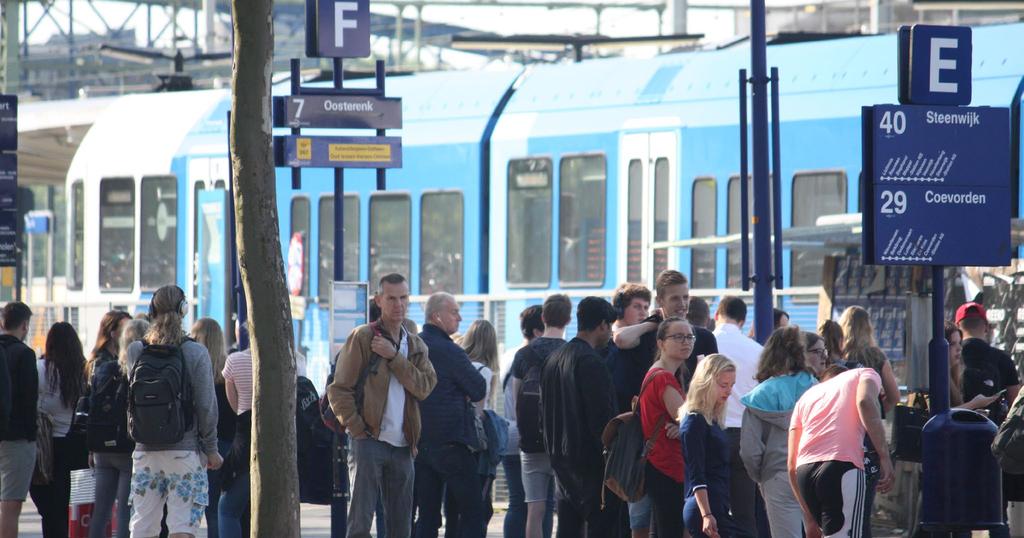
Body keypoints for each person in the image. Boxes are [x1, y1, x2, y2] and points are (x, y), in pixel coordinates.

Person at [328, 273, 438, 538]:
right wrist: (356, 428)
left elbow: (424, 387)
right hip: (369, 439)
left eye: (403, 298)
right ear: (378, 300)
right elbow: (339, 389)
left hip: (403, 445)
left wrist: (393, 357)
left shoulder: (415, 344)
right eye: (391, 298)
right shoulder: (363, 337)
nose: (398, 304)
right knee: (360, 523)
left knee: (401, 526)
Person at [124, 285, 222, 538]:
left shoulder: (136, 350)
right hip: (185, 451)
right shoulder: (195, 352)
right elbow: (205, 406)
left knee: (143, 525)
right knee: (182, 526)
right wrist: (211, 449)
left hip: (145, 451)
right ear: (184, 310)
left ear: (151, 311)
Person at [540, 296, 620, 538]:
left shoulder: (553, 359)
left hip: (560, 458)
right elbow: (601, 418)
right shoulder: (591, 362)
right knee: (603, 526)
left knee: (568, 528)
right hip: (591, 463)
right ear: (603, 325)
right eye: (610, 327)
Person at [788, 366, 894, 538]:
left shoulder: (807, 397)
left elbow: (792, 464)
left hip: (804, 472)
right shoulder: (866, 373)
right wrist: (884, 456)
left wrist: (808, 517)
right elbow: (865, 402)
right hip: (843, 465)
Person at [414, 292, 486, 538]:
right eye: (454, 312)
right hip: (452, 443)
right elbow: (478, 388)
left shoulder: (413, 346)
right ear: (437, 316)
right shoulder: (450, 350)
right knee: (474, 511)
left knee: (427, 516)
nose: (460, 317)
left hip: (420, 443)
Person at [740, 327, 817, 538]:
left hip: (776, 474)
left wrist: (760, 475)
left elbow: (749, 449)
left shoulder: (757, 397)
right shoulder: (815, 388)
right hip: (813, 471)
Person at [956, 302, 1022, 538]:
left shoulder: (954, 355)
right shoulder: (1001, 359)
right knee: (997, 509)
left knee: (959, 508)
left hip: (957, 440)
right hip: (993, 438)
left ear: (958, 326)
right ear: (986, 326)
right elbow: (1016, 402)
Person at [838, 305, 899, 538]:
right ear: (868, 327)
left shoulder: (836, 358)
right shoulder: (876, 357)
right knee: (864, 508)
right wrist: (878, 410)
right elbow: (894, 395)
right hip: (868, 439)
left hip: (840, 435)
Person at [512, 295, 570, 538]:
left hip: (531, 443)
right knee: (568, 508)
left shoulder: (524, 355)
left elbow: (517, 400)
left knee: (535, 508)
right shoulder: (572, 352)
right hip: (564, 444)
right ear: (568, 319)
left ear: (543, 318)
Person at [30, 322, 88, 538]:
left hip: (47, 447)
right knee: (74, 505)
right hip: (77, 445)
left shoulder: (41, 369)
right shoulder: (83, 370)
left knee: (50, 508)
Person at [615, 270, 718, 388]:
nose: (682, 304)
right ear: (660, 301)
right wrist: (652, 324)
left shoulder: (705, 338)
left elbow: (715, 382)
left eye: (685, 297)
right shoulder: (649, 335)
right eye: (675, 298)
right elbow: (620, 338)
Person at [606, 283, 654, 538]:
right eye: (637, 306)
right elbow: (621, 337)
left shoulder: (644, 339)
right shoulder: (613, 338)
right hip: (615, 431)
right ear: (620, 308)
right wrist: (650, 322)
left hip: (637, 431)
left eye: (646, 307)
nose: (643, 312)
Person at [712, 296, 762, 537]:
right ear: (743, 320)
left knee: (712, 510)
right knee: (744, 511)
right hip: (746, 435)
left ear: (716, 315)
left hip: (714, 432)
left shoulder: (707, 345)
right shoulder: (757, 350)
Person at [448, 320, 502, 535]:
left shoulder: (460, 365)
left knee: (453, 505)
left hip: (454, 440)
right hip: (476, 447)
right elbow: (478, 412)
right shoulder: (485, 371)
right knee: (480, 506)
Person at [637, 318, 689, 538]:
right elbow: (689, 420)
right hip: (667, 464)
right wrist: (684, 426)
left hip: (660, 463)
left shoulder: (659, 374)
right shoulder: (663, 378)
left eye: (689, 337)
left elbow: (683, 422)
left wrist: (682, 426)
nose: (685, 342)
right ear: (661, 343)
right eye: (677, 337)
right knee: (671, 529)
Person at [84, 311, 134, 538]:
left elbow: (91, 405)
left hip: (101, 444)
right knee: (123, 510)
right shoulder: (125, 365)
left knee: (101, 511)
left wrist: (92, 446)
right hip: (123, 444)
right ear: (113, 332)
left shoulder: (95, 362)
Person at [681, 354, 741, 538]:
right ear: (706, 383)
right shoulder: (695, 420)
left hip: (716, 504)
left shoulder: (709, 420)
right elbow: (696, 472)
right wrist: (706, 514)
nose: (729, 391)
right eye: (724, 385)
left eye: (731, 385)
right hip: (706, 507)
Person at [502, 305, 545, 538]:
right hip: (531, 436)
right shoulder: (532, 358)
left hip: (509, 433)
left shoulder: (510, 354)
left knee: (517, 502)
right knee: (540, 503)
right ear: (539, 331)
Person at [191, 318, 234, 538]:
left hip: (200, 445)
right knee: (219, 509)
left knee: (203, 508)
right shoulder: (228, 368)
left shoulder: (194, 368)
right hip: (227, 444)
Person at [0, 302, 36, 538]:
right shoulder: (24, 354)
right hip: (17, 437)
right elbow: (29, 400)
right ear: (24, 325)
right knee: (10, 507)